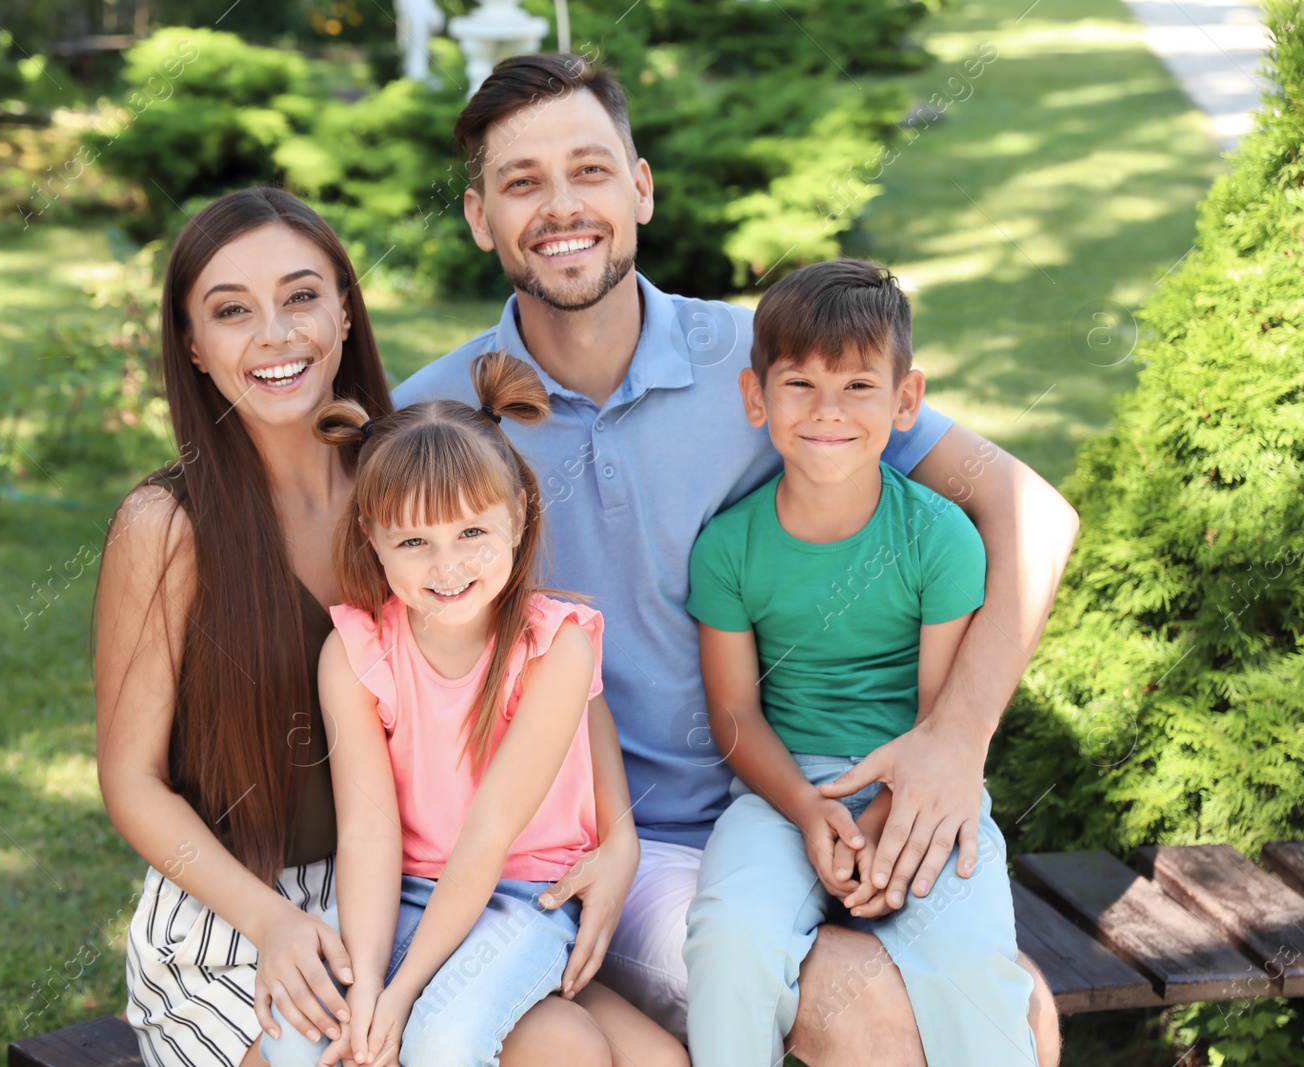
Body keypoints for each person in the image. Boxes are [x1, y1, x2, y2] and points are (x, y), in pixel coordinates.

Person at [393, 53, 1069, 1065]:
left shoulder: (763, 367)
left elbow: (1032, 510)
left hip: (812, 790)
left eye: (588, 169)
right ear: (478, 215)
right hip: (606, 855)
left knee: (1020, 1010)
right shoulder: (436, 421)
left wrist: (953, 738)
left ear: (641, 187)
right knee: (871, 1017)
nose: (560, 205)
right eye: (520, 182)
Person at [93, 187, 659, 1067]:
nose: (277, 334)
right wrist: (271, 920)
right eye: (232, 311)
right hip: (238, 899)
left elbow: (543, 657)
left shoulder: (411, 486)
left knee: (582, 1047)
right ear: (195, 347)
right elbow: (131, 780)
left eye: (302, 295)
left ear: (347, 314)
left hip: (433, 882)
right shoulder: (167, 527)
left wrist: (617, 834)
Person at [264, 351, 687, 1067]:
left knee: (444, 1043)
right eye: (414, 542)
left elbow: (489, 834)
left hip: (524, 898)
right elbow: (367, 830)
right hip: (395, 895)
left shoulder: (555, 646)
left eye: (470, 533)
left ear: (518, 514)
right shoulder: (357, 650)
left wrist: (400, 1000)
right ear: (371, 535)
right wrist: (367, 984)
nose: (448, 566)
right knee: (303, 1042)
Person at [683, 259, 1037, 1065]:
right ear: (755, 396)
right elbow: (735, 714)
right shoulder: (729, 548)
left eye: (857, 387)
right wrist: (812, 814)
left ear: (906, 400)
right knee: (729, 940)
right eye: (799, 384)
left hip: (924, 790)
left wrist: (883, 824)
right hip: (782, 791)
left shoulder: (940, 537)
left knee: (976, 970)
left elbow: (939, 717)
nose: (827, 411)